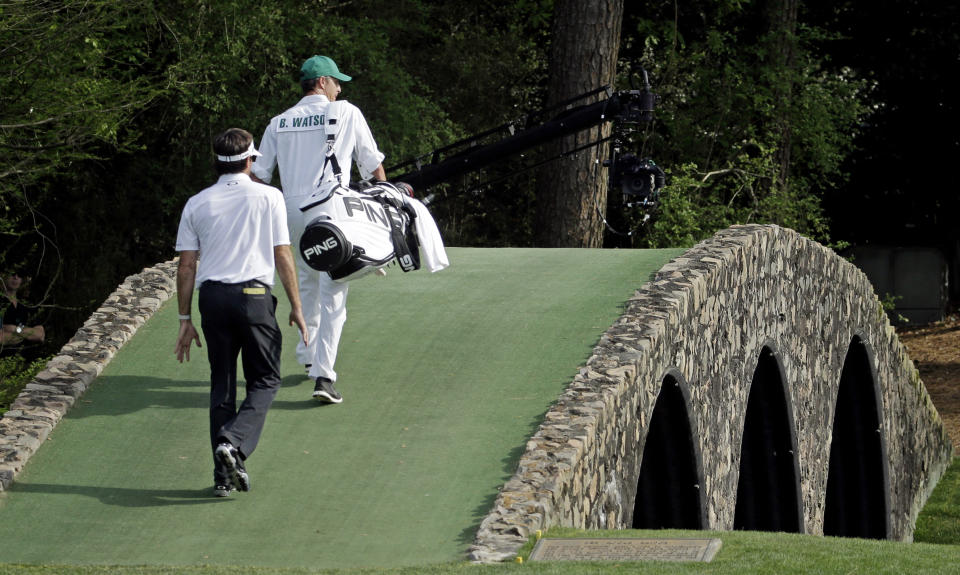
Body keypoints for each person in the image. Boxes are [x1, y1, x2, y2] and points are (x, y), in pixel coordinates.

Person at [174, 128, 308, 498]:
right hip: (253, 297)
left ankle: (223, 477)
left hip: (212, 299)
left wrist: (184, 320)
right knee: (265, 380)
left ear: (217, 161)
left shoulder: (197, 202)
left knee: (222, 384)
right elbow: (282, 254)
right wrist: (297, 307)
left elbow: (187, 267)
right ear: (251, 161)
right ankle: (232, 442)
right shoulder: (269, 196)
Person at [252, 55, 386, 404]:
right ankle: (324, 376)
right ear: (323, 82)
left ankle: (309, 355)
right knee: (334, 293)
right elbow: (372, 165)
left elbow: (258, 177)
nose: (340, 88)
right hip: (332, 211)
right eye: (337, 82)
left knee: (306, 281)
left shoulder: (278, 122)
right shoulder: (346, 112)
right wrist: (386, 202)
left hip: (291, 212)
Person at [1, 270, 45, 346]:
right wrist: (28, 334)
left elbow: (40, 335)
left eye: (20, 275)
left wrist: (14, 329)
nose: (16, 277)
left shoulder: (27, 304)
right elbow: (1, 338)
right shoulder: (1, 302)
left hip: (27, 355)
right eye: (12, 274)